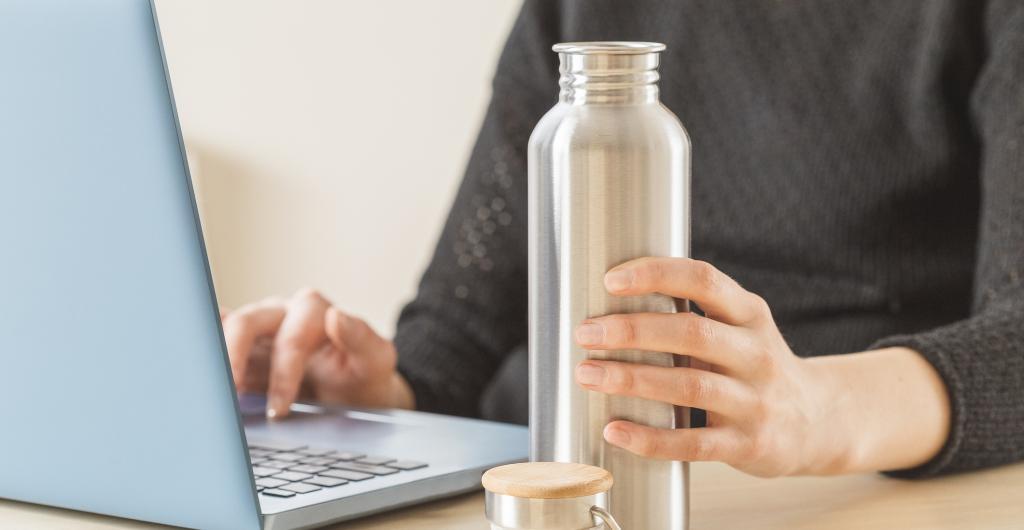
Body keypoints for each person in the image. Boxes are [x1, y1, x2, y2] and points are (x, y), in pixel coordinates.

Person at [220, 0, 1024, 479]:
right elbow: (458, 333)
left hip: (823, 491)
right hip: (549, 487)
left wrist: (818, 409)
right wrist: (374, 400)